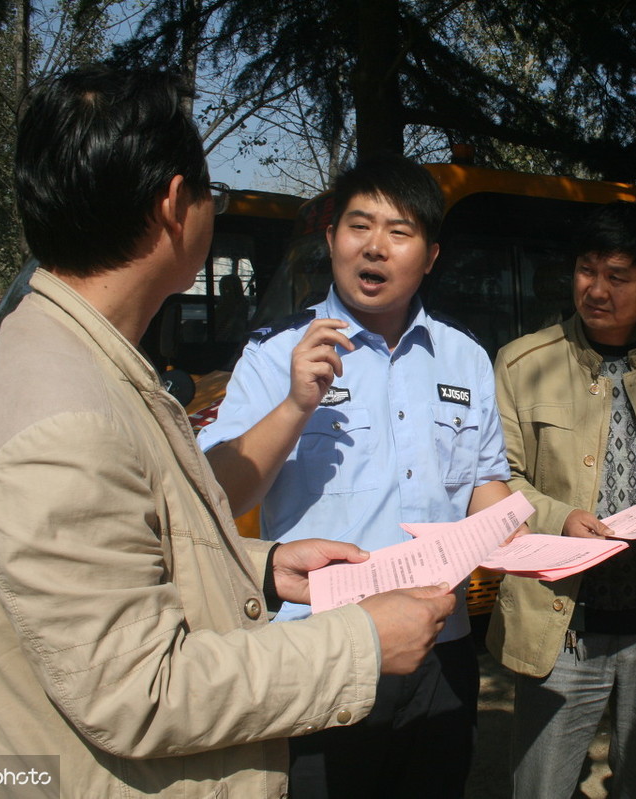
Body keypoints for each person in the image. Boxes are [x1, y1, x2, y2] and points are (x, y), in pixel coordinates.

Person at [0, 66, 454, 798]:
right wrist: (362, 641)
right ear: (174, 206)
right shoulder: (64, 419)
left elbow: (109, 564)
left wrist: (256, 566)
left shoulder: (62, 361)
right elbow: (141, 689)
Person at [198, 152, 514, 798]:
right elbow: (216, 495)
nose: (375, 247)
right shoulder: (274, 352)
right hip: (323, 649)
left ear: (429, 256)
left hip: (440, 648)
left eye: (399, 232)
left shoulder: (466, 358)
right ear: (330, 239)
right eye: (358, 226)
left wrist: (527, 537)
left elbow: (485, 484)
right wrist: (294, 405)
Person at [485, 200, 636, 798]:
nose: (596, 289)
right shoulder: (523, 364)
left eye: (617, 276)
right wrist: (558, 517)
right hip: (564, 621)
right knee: (540, 786)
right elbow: (498, 479)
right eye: (586, 270)